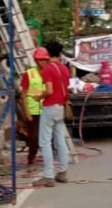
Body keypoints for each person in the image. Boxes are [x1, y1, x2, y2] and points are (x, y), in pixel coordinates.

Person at [32, 40, 70, 187]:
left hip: (50, 107)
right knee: (60, 140)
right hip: (61, 106)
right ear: (60, 53)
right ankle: (62, 172)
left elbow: (49, 90)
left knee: (44, 141)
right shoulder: (64, 69)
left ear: (48, 53)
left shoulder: (48, 69)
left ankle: (48, 176)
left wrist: (38, 97)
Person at [20, 47, 50, 171]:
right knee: (33, 137)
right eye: (41, 60)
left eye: (45, 60)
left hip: (46, 109)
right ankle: (31, 159)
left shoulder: (49, 73)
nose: (43, 62)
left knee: (47, 137)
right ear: (36, 61)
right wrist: (26, 111)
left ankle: (47, 159)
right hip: (32, 109)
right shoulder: (29, 74)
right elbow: (23, 94)